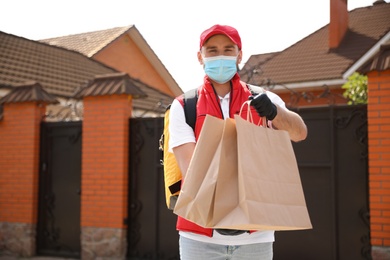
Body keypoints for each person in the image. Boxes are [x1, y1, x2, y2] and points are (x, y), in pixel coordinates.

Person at [168, 24, 308, 260]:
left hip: (256, 237)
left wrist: (275, 113)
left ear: (239, 54)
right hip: (199, 236)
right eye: (212, 50)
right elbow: (192, 172)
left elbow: (299, 133)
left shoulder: (263, 98)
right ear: (200, 56)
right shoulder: (184, 105)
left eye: (227, 49)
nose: (220, 56)